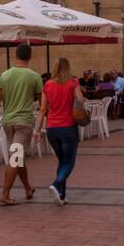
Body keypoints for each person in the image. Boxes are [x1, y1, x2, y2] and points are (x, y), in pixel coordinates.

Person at [0, 43, 42, 207]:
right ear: (30, 57)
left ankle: (28, 188)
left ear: (15, 56)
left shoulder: (4, 76)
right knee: (16, 157)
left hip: (7, 122)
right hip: (24, 122)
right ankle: (5, 194)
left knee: (17, 156)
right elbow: (42, 103)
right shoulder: (34, 77)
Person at [35, 57, 85, 205]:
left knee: (62, 161)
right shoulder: (73, 83)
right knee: (69, 162)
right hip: (68, 127)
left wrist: (37, 129)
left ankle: (61, 195)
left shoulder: (47, 85)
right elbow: (81, 101)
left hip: (52, 129)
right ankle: (56, 184)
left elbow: (43, 109)